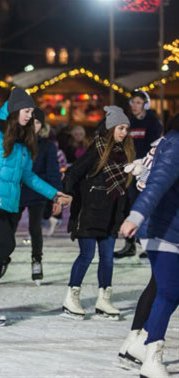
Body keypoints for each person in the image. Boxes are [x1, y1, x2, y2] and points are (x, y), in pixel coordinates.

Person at [0, 88, 72, 325]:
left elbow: (28, 176)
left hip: (11, 203)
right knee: (6, 244)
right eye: (26, 111)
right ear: (14, 110)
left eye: (32, 112)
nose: (30, 116)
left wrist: (54, 194)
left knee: (1, 252)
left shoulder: (22, 140)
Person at [116, 115, 178, 376]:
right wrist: (135, 216)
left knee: (168, 290)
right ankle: (152, 356)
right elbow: (157, 183)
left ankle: (141, 344)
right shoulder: (175, 145)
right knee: (168, 291)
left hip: (172, 228)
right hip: (160, 228)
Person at [61, 106, 134, 320]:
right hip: (90, 211)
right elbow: (73, 173)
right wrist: (66, 194)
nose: (124, 132)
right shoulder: (97, 149)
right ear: (111, 128)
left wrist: (127, 213)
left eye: (126, 128)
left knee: (108, 258)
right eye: (121, 128)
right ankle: (71, 298)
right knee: (86, 255)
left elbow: (124, 189)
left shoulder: (126, 153)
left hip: (111, 213)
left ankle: (103, 300)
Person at [115, 90, 163, 259]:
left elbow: (154, 147)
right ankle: (129, 245)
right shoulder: (129, 123)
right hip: (129, 169)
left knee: (144, 206)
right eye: (132, 102)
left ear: (145, 104)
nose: (134, 106)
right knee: (127, 205)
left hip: (145, 170)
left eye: (138, 102)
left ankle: (148, 245)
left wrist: (144, 165)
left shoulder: (152, 122)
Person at [18, 108, 62, 285]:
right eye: (31, 122)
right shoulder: (16, 143)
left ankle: (37, 261)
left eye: (37, 122)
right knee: (9, 227)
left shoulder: (47, 146)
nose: (33, 126)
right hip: (17, 192)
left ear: (42, 125)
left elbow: (53, 172)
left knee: (35, 227)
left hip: (38, 192)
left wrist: (57, 195)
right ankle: (3, 259)